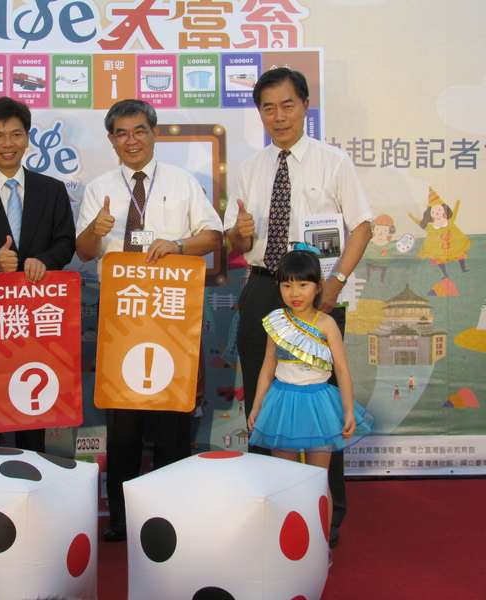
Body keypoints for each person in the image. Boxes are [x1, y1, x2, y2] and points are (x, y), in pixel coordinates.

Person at [223, 67, 373, 548]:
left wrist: (336, 283)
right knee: (264, 396)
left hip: (319, 294)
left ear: (305, 105)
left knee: (322, 404)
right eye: (268, 107)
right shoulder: (251, 167)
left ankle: (327, 515)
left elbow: (362, 226)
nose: (278, 116)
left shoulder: (333, 162)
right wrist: (239, 234)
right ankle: (270, 511)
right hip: (263, 289)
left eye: (287, 104)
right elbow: (233, 239)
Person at [75, 99, 223, 542]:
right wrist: (96, 231)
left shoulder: (182, 182)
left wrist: (177, 245)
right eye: (122, 133)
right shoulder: (99, 187)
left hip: (171, 318)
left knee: (171, 423)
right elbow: (83, 252)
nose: (132, 140)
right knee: (123, 426)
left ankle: (168, 513)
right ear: (111, 140)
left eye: (139, 130)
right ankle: (122, 517)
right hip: (120, 317)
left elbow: (213, 236)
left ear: (154, 133)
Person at [0, 96, 76, 452]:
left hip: (39, 318)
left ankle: (33, 472)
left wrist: (44, 261)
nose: (7, 144)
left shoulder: (52, 190)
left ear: (27, 137)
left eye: (16, 135)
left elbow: (65, 243)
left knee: (32, 403)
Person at [247, 248, 373, 530]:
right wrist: (257, 405)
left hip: (319, 405)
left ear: (318, 286)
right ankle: (290, 544)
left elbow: (342, 370)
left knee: (317, 481)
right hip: (282, 403)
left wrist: (348, 410)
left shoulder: (327, 323)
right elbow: (268, 366)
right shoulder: (277, 321)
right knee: (285, 481)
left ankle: (320, 542)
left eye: (303, 284)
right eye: (287, 285)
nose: (295, 293)